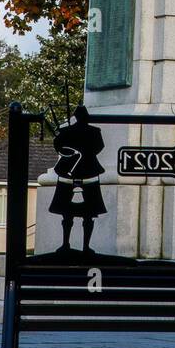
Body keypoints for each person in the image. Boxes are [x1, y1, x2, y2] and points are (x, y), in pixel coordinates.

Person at [48, 104, 106, 253]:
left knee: (68, 215)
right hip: (88, 172)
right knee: (88, 215)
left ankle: (67, 244)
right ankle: (84, 246)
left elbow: (58, 145)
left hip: (72, 173)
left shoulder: (67, 131)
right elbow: (99, 147)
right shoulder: (94, 131)